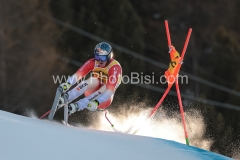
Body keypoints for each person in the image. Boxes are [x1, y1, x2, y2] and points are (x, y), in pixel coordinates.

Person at [57, 42, 122, 116]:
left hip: (104, 98)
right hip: (91, 91)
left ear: (108, 57)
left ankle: (77, 106)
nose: (100, 61)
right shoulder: (93, 62)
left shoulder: (115, 67)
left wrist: (97, 102)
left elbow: (110, 91)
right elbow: (78, 75)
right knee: (92, 80)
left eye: (103, 58)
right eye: (97, 57)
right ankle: (66, 97)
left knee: (106, 86)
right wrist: (68, 83)